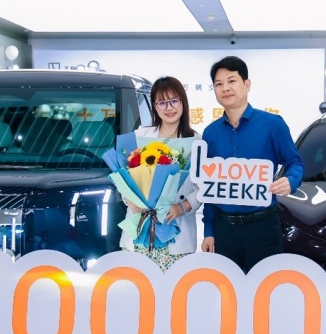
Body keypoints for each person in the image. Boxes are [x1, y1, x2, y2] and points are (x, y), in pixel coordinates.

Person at [200, 56, 304, 272]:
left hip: (262, 226)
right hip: (224, 229)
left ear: (246, 85)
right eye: (218, 84)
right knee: (228, 287)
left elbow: (295, 162)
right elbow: (209, 186)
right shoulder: (210, 133)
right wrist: (208, 230)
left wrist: (291, 181)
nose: (225, 88)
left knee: (265, 286)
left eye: (232, 81)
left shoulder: (272, 124)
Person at [121, 76, 202, 271]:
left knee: (174, 287)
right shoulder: (140, 136)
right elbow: (124, 179)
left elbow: (203, 188)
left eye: (174, 101)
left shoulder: (197, 141)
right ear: (155, 107)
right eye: (162, 102)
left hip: (176, 231)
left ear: (183, 103)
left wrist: (181, 207)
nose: (169, 107)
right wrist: (131, 202)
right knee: (138, 285)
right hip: (139, 229)